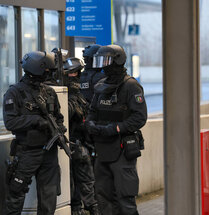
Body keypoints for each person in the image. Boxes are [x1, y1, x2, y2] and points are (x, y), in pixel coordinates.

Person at [86, 45, 147, 215]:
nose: (104, 65)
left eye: (107, 61)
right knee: (103, 197)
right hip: (101, 149)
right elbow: (92, 112)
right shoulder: (100, 86)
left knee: (124, 199)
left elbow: (139, 117)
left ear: (118, 60)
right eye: (101, 61)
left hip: (121, 149)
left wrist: (116, 128)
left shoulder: (131, 86)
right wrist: (90, 124)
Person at [3, 51, 65, 215]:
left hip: (49, 152)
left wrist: (59, 130)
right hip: (27, 151)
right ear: (37, 69)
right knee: (16, 193)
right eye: (46, 72)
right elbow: (10, 122)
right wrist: (36, 121)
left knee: (49, 196)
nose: (48, 75)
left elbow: (58, 117)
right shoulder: (15, 92)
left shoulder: (49, 92)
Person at [63, 57, 101, 215]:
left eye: (77, 72)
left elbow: (85, 116)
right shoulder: (63, 95)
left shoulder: (78, 95)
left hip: (80, 142)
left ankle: (88, 207)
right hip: (70, 143)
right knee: (77, 183)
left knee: (86, 181)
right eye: (72, 73)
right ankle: (80, 207)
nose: (76, 76)